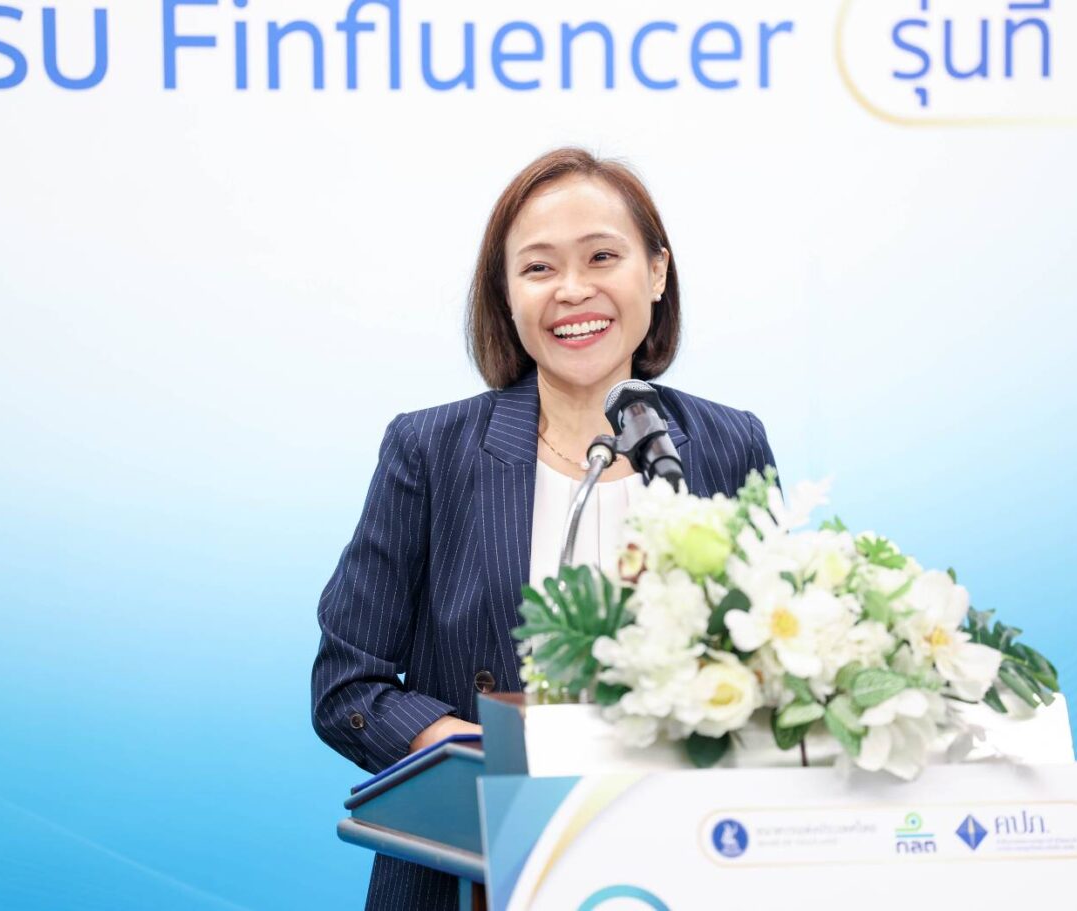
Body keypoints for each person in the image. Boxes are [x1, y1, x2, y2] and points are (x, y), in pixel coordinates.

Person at [311, 147, 777, 910]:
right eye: (538, 268)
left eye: (602, 256)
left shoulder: (731, 444)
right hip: (471, 870)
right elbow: (346, 685)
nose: (573, 289)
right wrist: (479, 752)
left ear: (657, 272)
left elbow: (774, 669)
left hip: (683, 862)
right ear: (506, 294)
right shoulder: (429, 451)